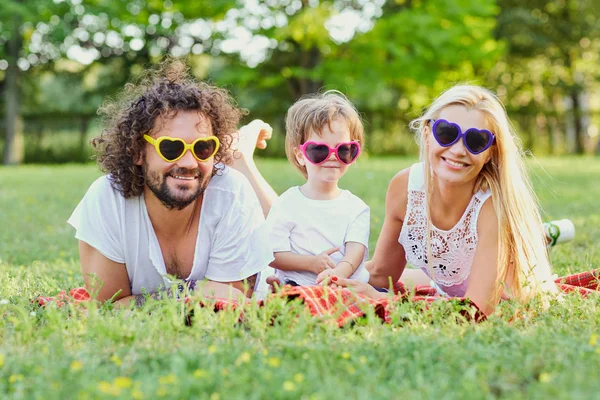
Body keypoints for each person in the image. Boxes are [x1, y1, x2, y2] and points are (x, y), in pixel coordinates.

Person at [249, 85, 557, 316]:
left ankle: (536, 236)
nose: (459, 149)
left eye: (476, 140)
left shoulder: (492, 207)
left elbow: (475, 312)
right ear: (427, 134)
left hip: (501, 299)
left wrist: (380, 300)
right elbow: (383, 273)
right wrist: (313, 278)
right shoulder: (406, 187)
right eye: (447, 132)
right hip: (441, 285)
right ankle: (243, 162)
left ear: (491, 151)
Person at [68, 60, 274, 306]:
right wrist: (198, 293)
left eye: (203, 147)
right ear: (137, 152)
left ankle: (239, 157)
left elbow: (230, 303)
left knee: (295, 231)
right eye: (170, 147)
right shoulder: (106, 199)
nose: (188, 162)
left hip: (288, 263)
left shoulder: (232, 192)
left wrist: (143, 302)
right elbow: (109, 306)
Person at [266, 91, 370, 287]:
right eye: (319, 150)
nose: (332, 157)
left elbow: (355, 252)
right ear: (300, 155)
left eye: (343, 150)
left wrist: (338, 274)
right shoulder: (288, 204)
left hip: (345, 286)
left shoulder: (356, 207)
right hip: (298, 284)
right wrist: (311, 263)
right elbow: (272, 254)